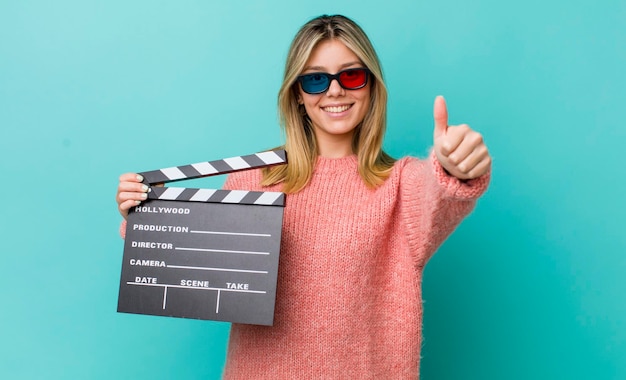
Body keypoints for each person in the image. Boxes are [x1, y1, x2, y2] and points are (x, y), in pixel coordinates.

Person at [116, 14, 491, 379]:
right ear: (297, 93)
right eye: (315, 80)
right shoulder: (251, 179)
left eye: (352, 75)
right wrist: (145, 216)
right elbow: (196, 268)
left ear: (372, 86)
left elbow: (441, 194)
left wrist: (455, 166)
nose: (335, 90)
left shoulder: (402, 185)